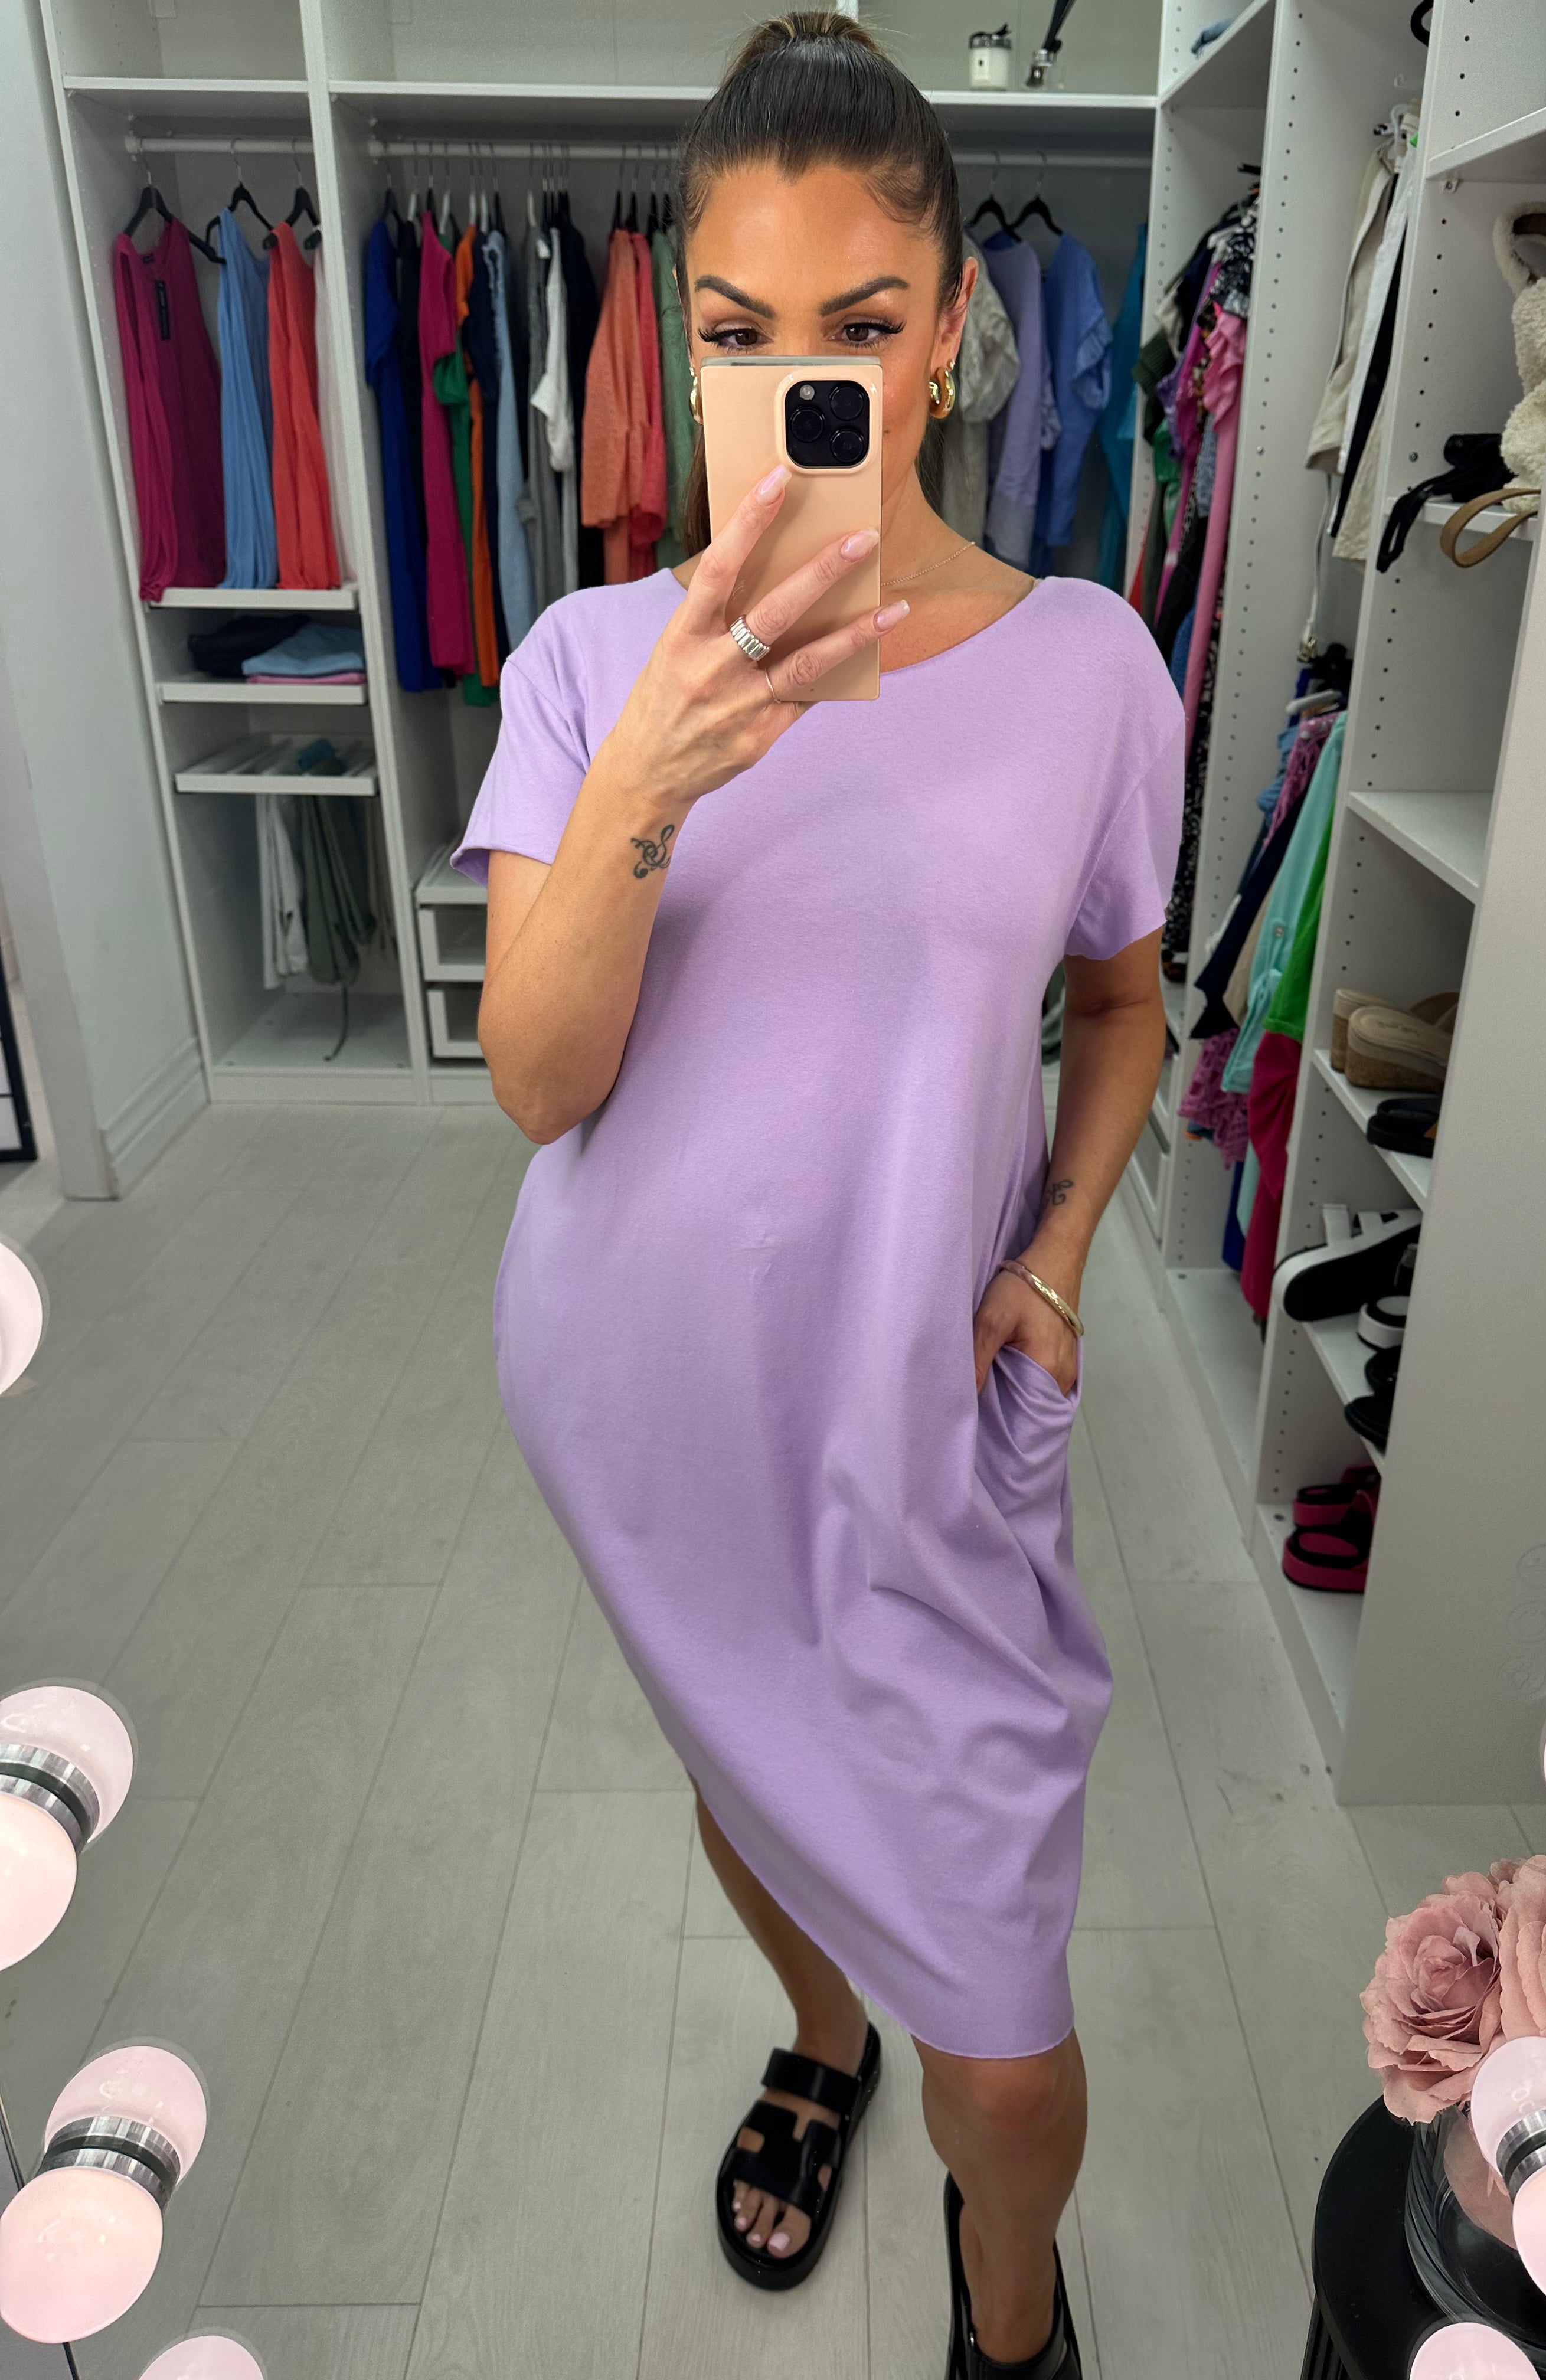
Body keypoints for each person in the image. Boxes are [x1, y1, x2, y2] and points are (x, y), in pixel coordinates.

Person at [456, 18, 1181, 2375]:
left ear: (951, 326)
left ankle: (1010, 2316)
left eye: (860, 326)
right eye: (741, 331)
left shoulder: (1089, 670)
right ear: (683, 346)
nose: (805, 385)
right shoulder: (590, 663)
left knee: (1013, 2053)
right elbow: (541, 1083)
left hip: (914, 1415)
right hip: (649, 1409)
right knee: (752, 1795)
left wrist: (1060, 1250)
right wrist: (656, 770)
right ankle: (821, 2031)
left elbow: (1123, 1004)